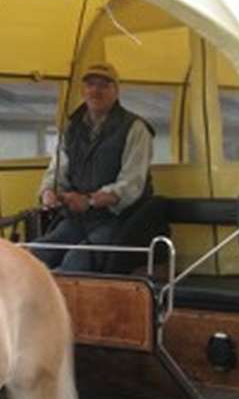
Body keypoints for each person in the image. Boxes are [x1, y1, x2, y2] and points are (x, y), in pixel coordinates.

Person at [34, 61, 154, 272]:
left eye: (104, 85)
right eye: (90, 85)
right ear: (83, 90)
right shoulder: (72, 128)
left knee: (75, 262)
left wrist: (90, 201)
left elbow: (131, 184)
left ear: (116, 91)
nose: (96, 91)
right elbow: (57, 169)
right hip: (76, 220)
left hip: (119, 221)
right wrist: (49, 192)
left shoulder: (136, 129)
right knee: (32, 256)